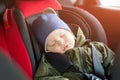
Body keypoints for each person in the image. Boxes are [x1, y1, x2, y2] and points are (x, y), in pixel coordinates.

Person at [31, 8, 115, 80]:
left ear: (71, 32)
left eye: (62, 35)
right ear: (47, 50)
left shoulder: (96, 47)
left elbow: (114, 65)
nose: (61, 42)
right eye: (53, 44)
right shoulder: (49, 62)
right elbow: (43, 77)